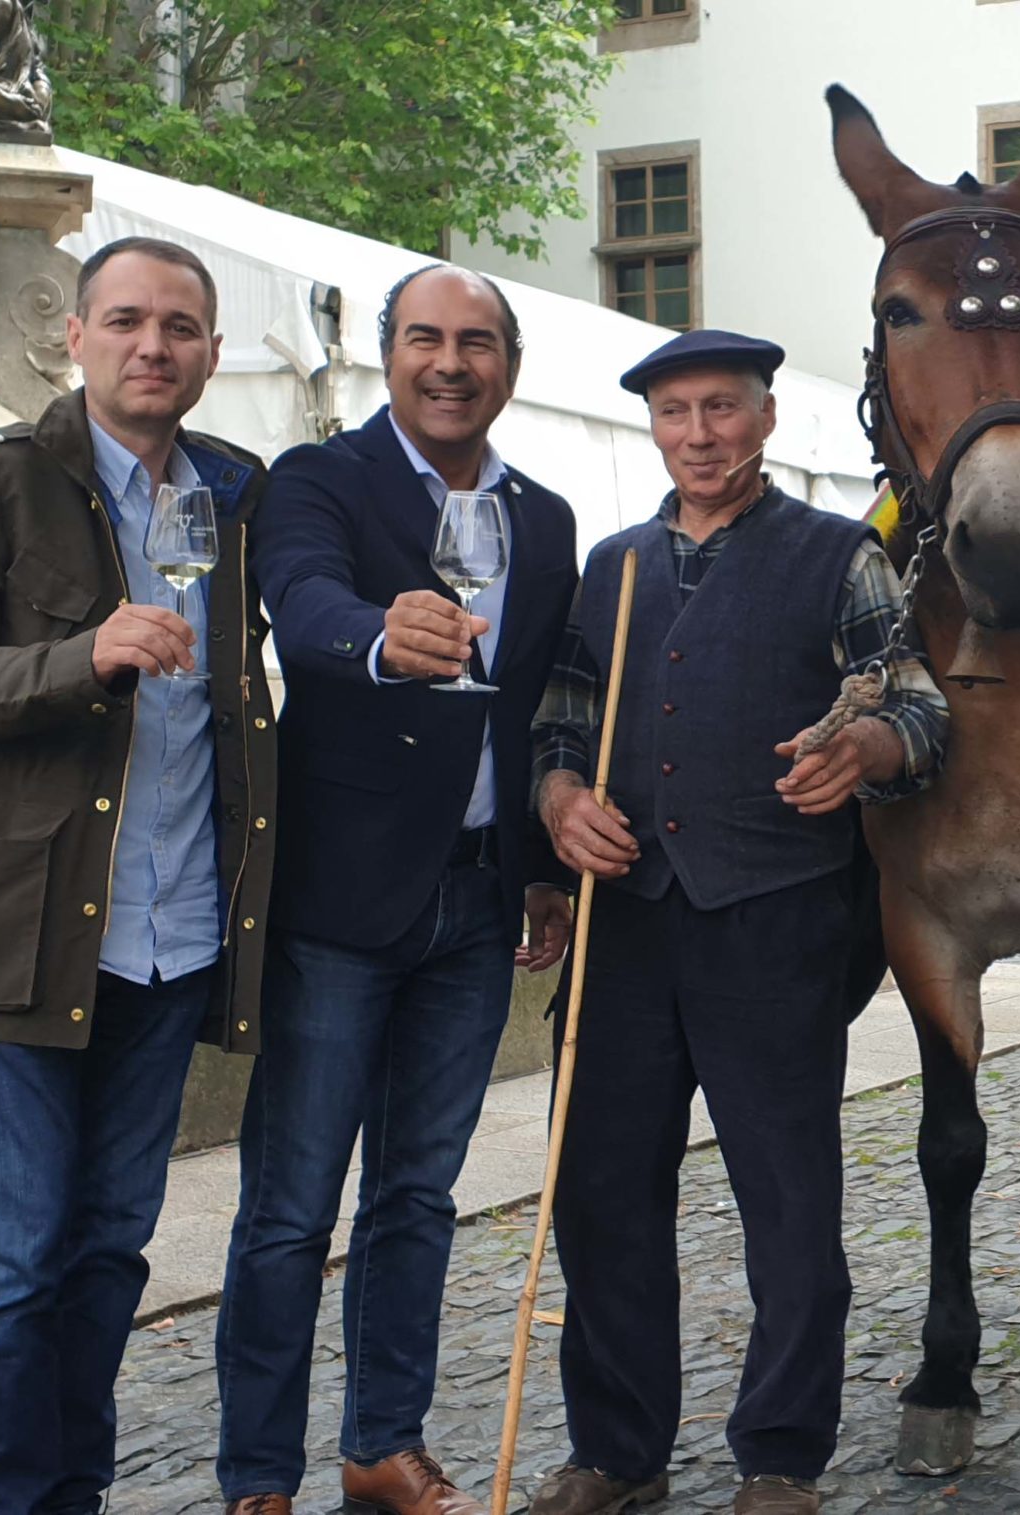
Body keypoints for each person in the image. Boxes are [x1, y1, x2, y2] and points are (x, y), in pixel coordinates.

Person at [0, 235, 273, 1515]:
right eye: (129, 322)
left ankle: (74, 1496)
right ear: (76, 338)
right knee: (11, 1266)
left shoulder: (239, 495)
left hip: (177, 933)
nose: (154, 346)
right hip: (15, 936)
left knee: (106, 1253)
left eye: (182, 328)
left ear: (210, 354)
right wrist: (79, 656)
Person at [523, 329, 948, 1515]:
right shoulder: (607, 568)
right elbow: (560, 726)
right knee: (602, 1193)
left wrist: (865, 746)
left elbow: (920, 712)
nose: (699, 435)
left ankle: (779, 1453)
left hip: (774, 926)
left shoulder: (839, 560)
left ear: (764, 419)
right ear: (652, 429)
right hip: (624, 933)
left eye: (721, 410)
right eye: (676, 415)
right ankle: (615, 1449)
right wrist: (559, 801)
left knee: (788, 1202)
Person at [216, 264, 581, 1515]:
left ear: (509, 366)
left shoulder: (546, 519)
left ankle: (381, 1442)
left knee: (417, 1197)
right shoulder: (318, 481)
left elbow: (533, 710)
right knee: (288, 1207)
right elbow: (299, 597)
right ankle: (260, 1474)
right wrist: (377, 637)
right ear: (388, 353)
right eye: (425, 338)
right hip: (338, 907)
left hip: (477, 911)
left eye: (477, 342)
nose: (450, 362)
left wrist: (536, 873)